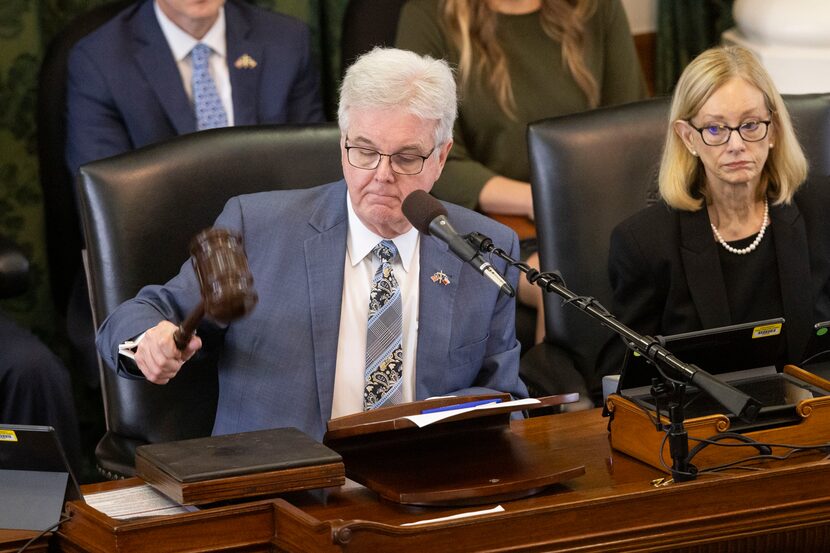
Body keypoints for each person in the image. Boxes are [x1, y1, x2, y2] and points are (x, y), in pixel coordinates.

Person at [95, 47, 527, 441]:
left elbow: (503, 399)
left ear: (441, 156)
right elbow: (142, 313)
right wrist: (147, 341)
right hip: (282, 494)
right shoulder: (259, 228)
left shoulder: (481, 250)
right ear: (342, 146)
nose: (381, 174)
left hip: (424, 492)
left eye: (406, 157)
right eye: (364, 150)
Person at [396, 0, 648, 342]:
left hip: (587, 212)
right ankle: (563, 395)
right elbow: (426, 156)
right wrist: (537, 200)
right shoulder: (431, 13)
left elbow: (631, 130)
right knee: (560, 286)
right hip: (486, 222)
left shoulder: (596, 8)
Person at [595, 45, 830, 396]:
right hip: (706, 430)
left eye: (750, 125)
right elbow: (625, 379)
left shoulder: (822, 209)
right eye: (716, 129)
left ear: (774, 129)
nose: (736, 144)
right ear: (688, 137)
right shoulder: (644, 243)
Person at [65, 0, 325, 177]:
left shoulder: (286, 41)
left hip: (273, 233)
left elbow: (311, 168)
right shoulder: (99, 61)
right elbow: (104, 196)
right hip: (163, 244)